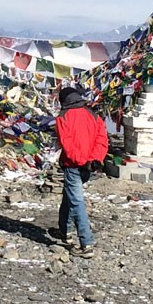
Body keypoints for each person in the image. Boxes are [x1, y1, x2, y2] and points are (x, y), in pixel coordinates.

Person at [52, 86, 106, 258]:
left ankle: (86, 244)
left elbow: (67, 145)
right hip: (90, 165)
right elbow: (102, 139)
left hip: (73, 165)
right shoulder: (93, 115)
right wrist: (94, 159)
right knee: (70, 196)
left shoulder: (63, 118)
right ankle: (64, 230)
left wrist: (81, 161)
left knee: (77, 202)